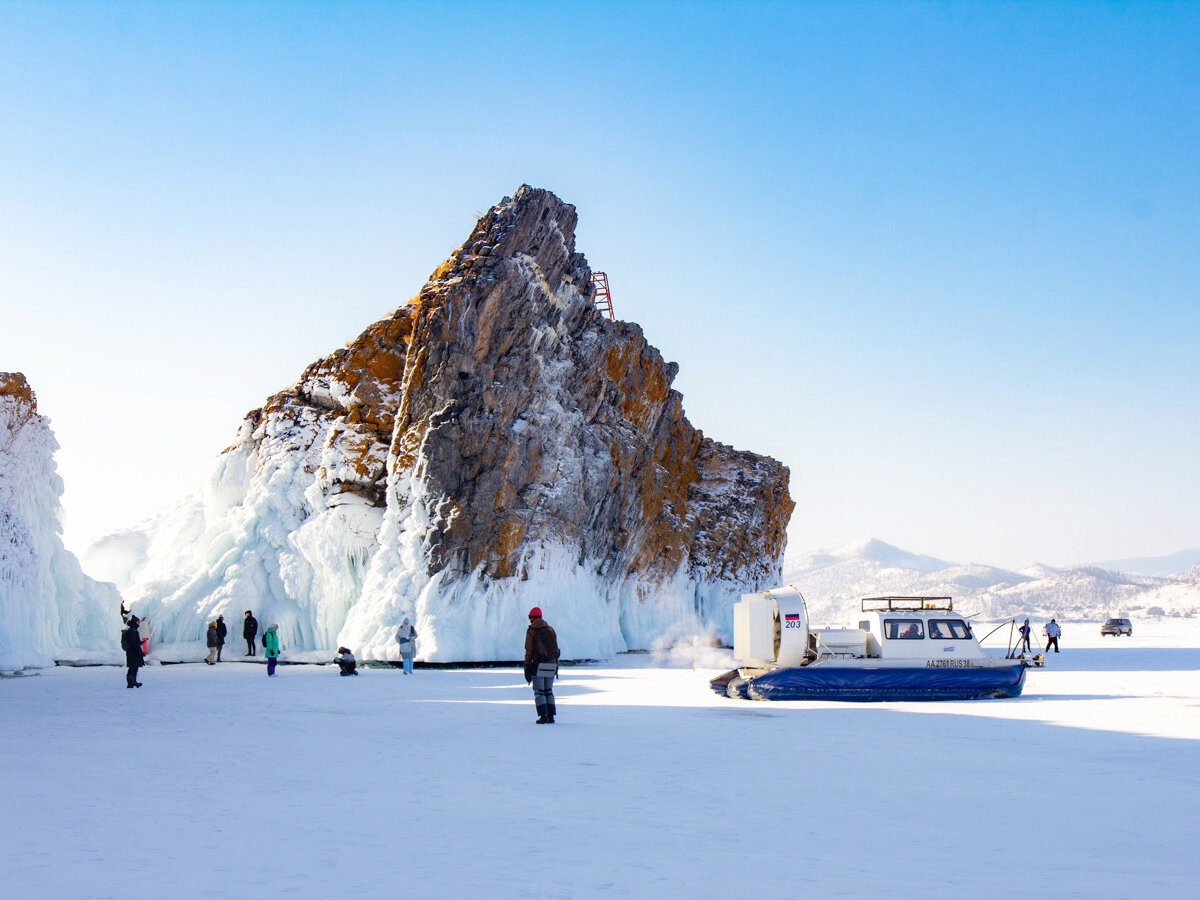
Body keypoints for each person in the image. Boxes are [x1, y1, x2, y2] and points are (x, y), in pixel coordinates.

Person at [524, 606, 560, 724]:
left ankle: (543, 716)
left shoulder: (532, 631)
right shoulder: (550, 629)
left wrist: (527, 666)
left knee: (539, 691)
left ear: (532, 618)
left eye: (530, 618)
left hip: (539, 665)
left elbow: (529, 651)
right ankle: (551, 716)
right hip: (552, 664)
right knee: (548, 690)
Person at [121, 614, 144, 688]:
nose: (139, 624)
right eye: (138, 622)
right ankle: (130, 683)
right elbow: (133, 643)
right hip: (133, 653)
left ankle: (134, 682)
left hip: (133, 652)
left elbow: (134, 642)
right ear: (135, 622)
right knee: (132, 668)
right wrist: (139, 650)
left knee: (135, 667)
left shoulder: (133, 630)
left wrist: (140, 643)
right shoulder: (132, 631)